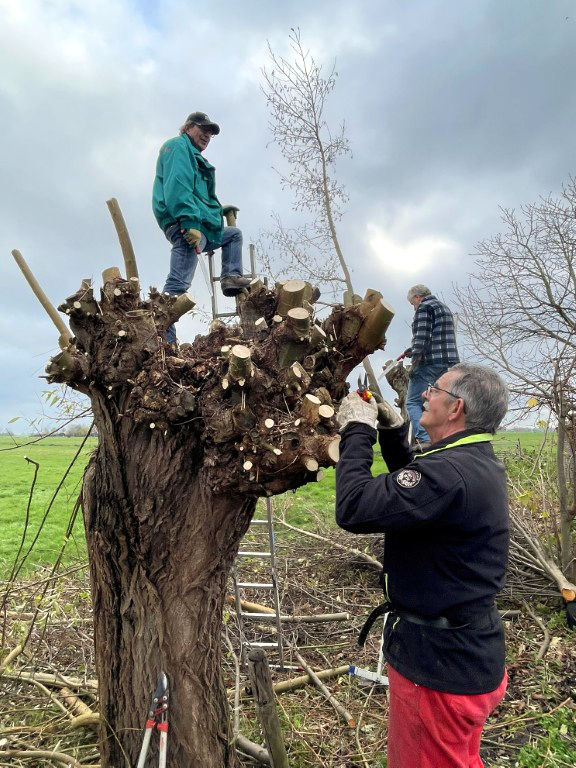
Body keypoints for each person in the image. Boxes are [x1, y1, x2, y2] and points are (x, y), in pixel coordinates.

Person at [335, 363, 509, 768]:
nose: (425, 394)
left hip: (438, 668)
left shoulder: (449, 473)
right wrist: (394, 432)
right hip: (465, 655)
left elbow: (354, 507)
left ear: (456, 408)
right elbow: (420, 493)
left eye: (435, 389)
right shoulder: (470, 461)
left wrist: (357, 430)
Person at [152, 111, 250, 342]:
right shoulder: (178, 147)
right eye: (202, 129)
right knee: (178, 284)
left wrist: (217, 212)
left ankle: (230, 278)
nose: (207, 135)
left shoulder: (193, 155)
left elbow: (197, 196)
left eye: (210, 133)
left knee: (233, 235)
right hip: (185, 226)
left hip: (200, 227)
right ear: (188, 127)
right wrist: (189, 222)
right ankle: (163, 339)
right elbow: (178, 185)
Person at [402, 284, 460, 450]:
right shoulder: (444, 308)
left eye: (412, 303)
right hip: (446, 363)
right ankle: (444, 436)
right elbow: (436, 336)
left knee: (412, 402)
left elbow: (422, 338)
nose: (413, 307)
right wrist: (412, 350)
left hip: (429, 362)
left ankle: (425, 439)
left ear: (417, 297)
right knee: (439, 400)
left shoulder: (424, 307)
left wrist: (414, 363)